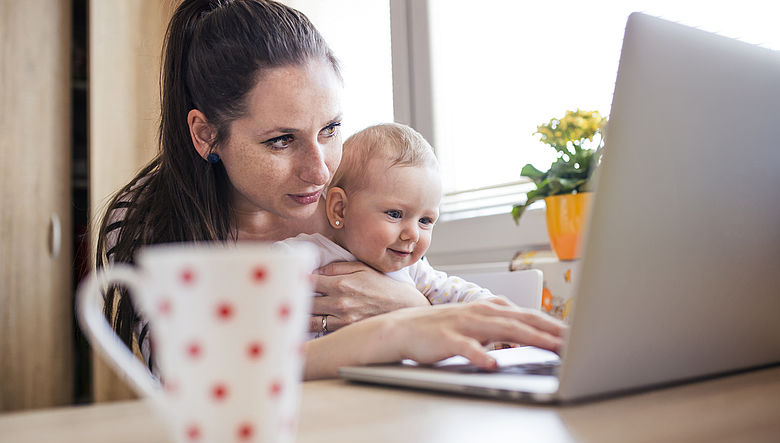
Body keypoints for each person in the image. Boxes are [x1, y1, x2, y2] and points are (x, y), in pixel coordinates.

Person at [96, 0, 566, 380]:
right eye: (281, 140)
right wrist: (393, 332)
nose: (319, 171)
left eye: (330, 128)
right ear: (205, 134)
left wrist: (411, 308)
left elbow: (426, 289)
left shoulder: (353, 195)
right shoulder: (146, 219)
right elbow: (188, 379)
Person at [277, 123, 512, 338]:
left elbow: (459, 295)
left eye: (425, 220)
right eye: (395, 214)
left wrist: (498, 319)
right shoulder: (304, 256)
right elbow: (260, 291)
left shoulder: (415, 271)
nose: (413, 234)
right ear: (340, 209)